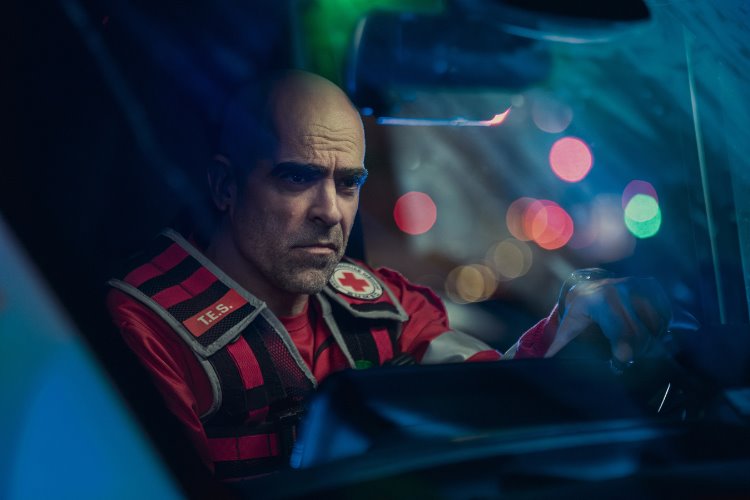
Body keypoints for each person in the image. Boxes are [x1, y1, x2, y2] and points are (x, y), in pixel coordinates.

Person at [106, 70, 671, 480]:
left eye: (348, 183)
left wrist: (570, 323)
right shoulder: (145, 329)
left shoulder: (385, 305)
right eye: (297, 178)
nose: (331, 212)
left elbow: (494, 397)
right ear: (225, 187)